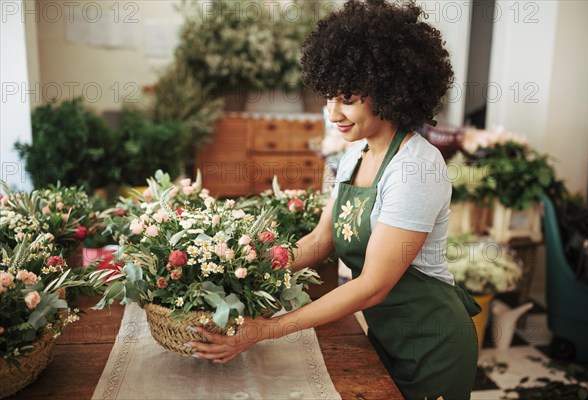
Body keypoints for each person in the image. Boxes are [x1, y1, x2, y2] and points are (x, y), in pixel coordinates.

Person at [188, 1, 481, 398]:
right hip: (385, 335)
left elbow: (373, 286)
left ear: (388, 90)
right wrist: (237, 267)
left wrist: (267, 330)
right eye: (328, 96)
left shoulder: (416, 169)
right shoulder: (353, 155)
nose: (333, 113)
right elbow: (319, 241)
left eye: (347, 98)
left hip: (433, 345)